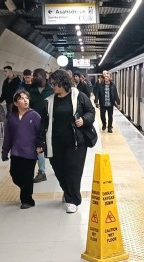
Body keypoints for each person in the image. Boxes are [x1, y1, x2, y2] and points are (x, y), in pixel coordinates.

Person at [44, 69, 95, 213]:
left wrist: (84, 120)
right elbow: (44, 122)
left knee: (73, 171)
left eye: (55, 84)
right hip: (56, 142)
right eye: (51, 84)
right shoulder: (49, 101)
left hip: (76, 142)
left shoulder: (79, 96)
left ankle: (73, 200)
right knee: (60, 171)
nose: (53, 87)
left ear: (63, 83)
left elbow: (91, 112)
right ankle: (67, 192)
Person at [1, 90, 43, 209]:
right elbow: (8, 136)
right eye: (21, 98)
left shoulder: (34, 116)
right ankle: (26, 191)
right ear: (15, 103)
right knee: (14, 174)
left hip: (30, 153)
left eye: (26, 98)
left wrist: (41, 146)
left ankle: (27, 200)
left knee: (28, 177)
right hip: (15, 152)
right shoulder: (12, 117)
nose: (25, 100)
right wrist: (5, 151)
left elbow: (40, 133)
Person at [29, 68, 53, 183]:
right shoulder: (30, 90)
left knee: (51, 146)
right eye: (34, 76)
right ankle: (42, 171)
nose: (34, 78)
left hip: (49, 123)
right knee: (39, 147)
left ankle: (57, 167)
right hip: (35, 123)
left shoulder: (51, 90)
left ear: (44, 77)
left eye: (36, 76)